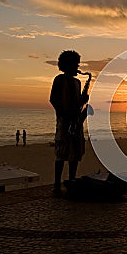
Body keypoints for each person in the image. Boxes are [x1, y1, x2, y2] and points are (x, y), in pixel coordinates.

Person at [50, 50, 88, 194]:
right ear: (66, 65)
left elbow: (77, 103)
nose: (78, 67)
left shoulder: (77, 82)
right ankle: (56, 185)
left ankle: (72, 181)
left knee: (76, 153)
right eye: (75, 64)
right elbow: (53, 99)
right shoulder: (59, 79)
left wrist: (83, 101)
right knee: (62, 153)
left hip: (76, 122)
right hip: (65, 121)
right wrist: (63, 115)